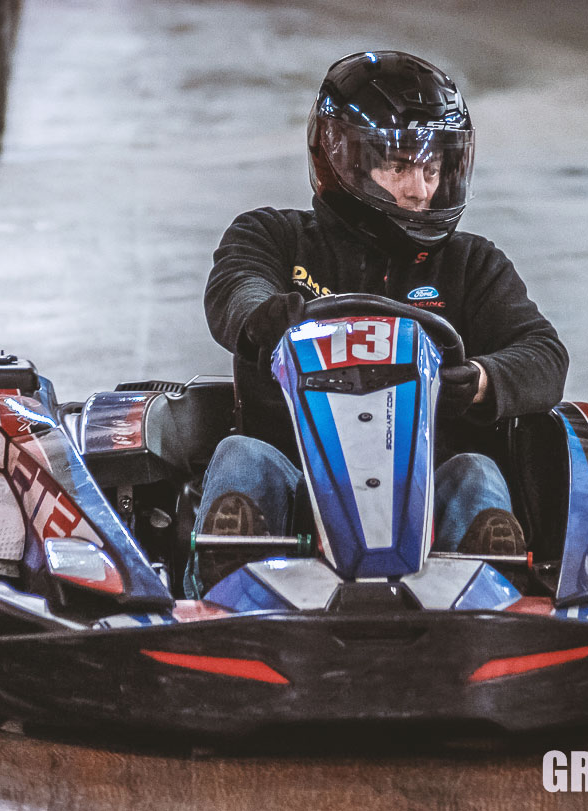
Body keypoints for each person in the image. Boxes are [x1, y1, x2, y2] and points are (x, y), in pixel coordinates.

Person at [201, 50, 569, 556]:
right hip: (299, 493)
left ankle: (495, 584)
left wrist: (482, 379)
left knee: (477, 472)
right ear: (344, 161)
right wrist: (259, 313)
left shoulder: (472, 265)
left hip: (429, 500)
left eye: (433, 168)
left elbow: (543, 353)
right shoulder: (275, 236)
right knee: (240, 456)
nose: (421, 191)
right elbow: (237, 284)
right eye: (400, 167)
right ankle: (228, 582)